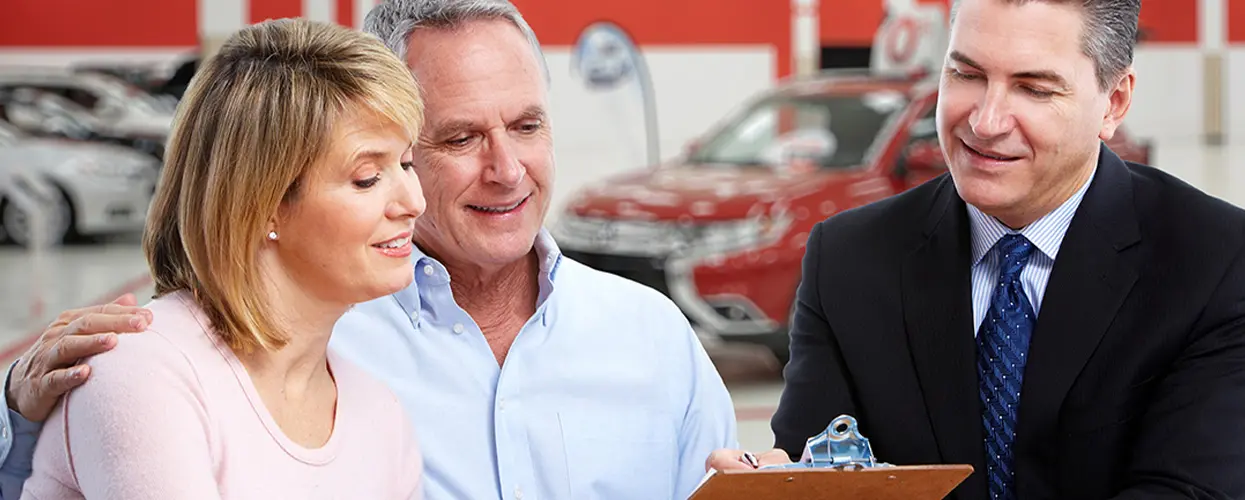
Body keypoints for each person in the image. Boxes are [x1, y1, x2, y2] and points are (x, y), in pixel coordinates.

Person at [0, 1, 739, 499]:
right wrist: (22, 418)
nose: (507, 169)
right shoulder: (293, 336)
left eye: (527, 126)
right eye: (456, 139)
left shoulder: (652, 338)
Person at [708, 0, 1245, 499]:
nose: (986, 122)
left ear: (1115, 102)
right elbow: (819, 464)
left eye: (1033, 88)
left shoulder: (1212, 263)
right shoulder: (849, 259)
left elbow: (1189, 487)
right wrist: (781, 482)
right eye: (966, 74)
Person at [15, 18, 427, 499]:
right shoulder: (144, 371)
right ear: (263, 202)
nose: (413, 201)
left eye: (406, 164)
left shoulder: (380, 416)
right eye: (367, 177)